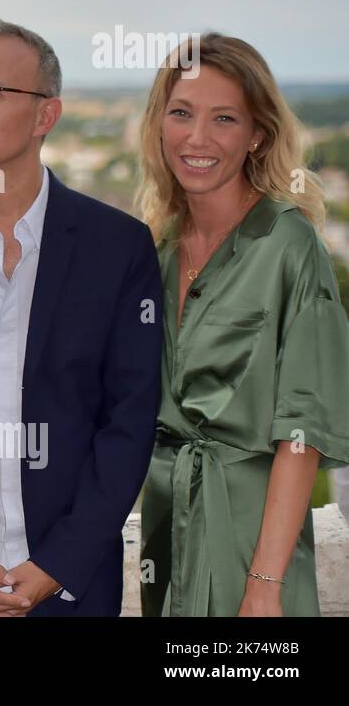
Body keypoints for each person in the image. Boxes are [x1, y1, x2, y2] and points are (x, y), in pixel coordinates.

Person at [0, 17, 162, 617]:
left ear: (46, 115)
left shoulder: (118, 247)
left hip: (73, 591)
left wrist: (57, 566)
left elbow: (129, 421)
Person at [137, 33, 349, 616]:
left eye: (224, 118)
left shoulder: (288, 244)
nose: (197, 138)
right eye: (181, 113)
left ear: (257, 133)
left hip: (253, 547)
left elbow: (302, 431)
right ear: (159, 124)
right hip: (166, 531)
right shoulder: (156, 251)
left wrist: (263, 585)